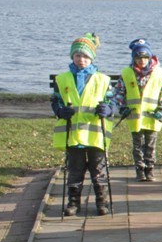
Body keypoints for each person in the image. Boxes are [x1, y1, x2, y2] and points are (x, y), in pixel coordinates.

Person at [50, 33, 119, 217]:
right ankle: (73, 202)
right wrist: (59, 111)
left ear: (92, 58)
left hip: (95, 135)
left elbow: (113, 103)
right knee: (74, 171)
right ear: (72, 57)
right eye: (78, 55)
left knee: (99, 172)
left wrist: (108, 109)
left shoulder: (102, 80)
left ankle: (102, 202)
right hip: (72, 135)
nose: (82, 60)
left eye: (86, 56)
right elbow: (55, 102)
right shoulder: (62, 79)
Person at [116, 38, 162, 182]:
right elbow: (120, 92)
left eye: (146, 57)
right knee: (138, 145)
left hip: (153, 116)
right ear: (134, 58)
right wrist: (123, 107)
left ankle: (150, 169)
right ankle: (139, 169)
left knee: (150, 145)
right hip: (135, 116)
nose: (142, 60)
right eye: (138, 57)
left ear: (150, 57)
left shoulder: (160, 73)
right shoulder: (127, 73)